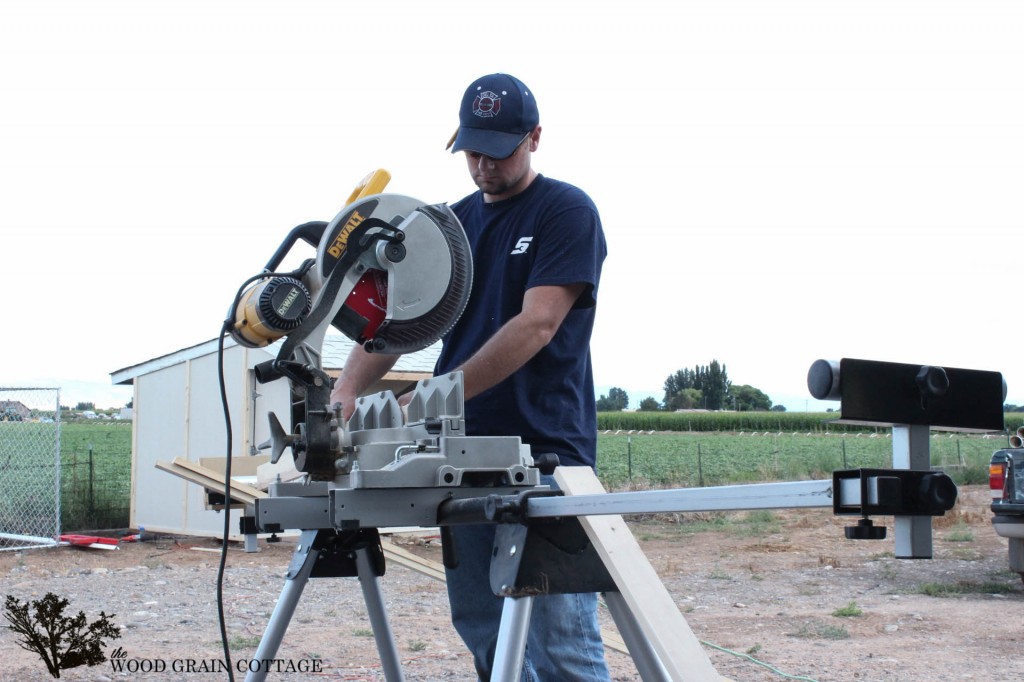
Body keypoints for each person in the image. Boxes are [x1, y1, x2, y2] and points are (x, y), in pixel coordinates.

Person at [330, 72, 610, 682]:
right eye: (472, 150)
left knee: (561, 641)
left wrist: (431, 397)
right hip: (456, 459)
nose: (483, 164)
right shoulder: (447, 229)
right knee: (484, 628)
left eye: (498, 149)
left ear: (535, 138)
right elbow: (397, 321)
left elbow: (536, 325)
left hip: (546, 456)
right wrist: (347, 390)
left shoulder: (567, 211)